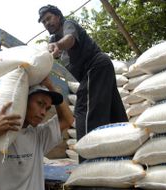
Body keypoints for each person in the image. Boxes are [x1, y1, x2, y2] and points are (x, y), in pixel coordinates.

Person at [0, 77, 74, 190]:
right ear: (23, 100)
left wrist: (50, 86)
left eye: (47, 108)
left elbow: (67, 120)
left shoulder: (38, 135)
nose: (43, 113)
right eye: (40, 103)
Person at [38, 5, 128, 146]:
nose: (47, 23)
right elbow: (48, 59)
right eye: (44, 22)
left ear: (58, 16)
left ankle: (89, 159)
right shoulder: (53, 39)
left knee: (83, 108)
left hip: (95, 66)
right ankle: (125, 149)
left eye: (49, 18)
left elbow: (70, 39)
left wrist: (58, 45)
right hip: (100, 69)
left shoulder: (68, 25)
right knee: (114, 111)